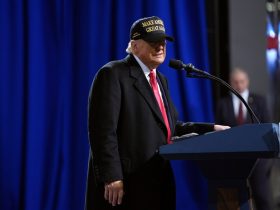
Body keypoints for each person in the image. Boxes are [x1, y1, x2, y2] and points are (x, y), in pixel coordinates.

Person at [85, 16, 229, 210]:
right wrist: (112, 176)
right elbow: (102, 131)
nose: (160, 46)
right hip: (126, 186)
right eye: (153, 42)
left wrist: (211, 129)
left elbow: (170, 127)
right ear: (134, 46)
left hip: (158, 181)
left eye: (162, 42)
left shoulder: (161, 79)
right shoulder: (112, 74)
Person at [215, 67, 273, 210]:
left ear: (247, 82)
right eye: (235, 82)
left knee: (263, 198)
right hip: (233, 161)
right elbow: (219, 134)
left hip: (258, 160)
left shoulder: (259, 101)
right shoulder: (223, 104)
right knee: (235, 201)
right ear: (230, 83)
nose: (239, 85)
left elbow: (268, 128)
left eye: (242, 81)